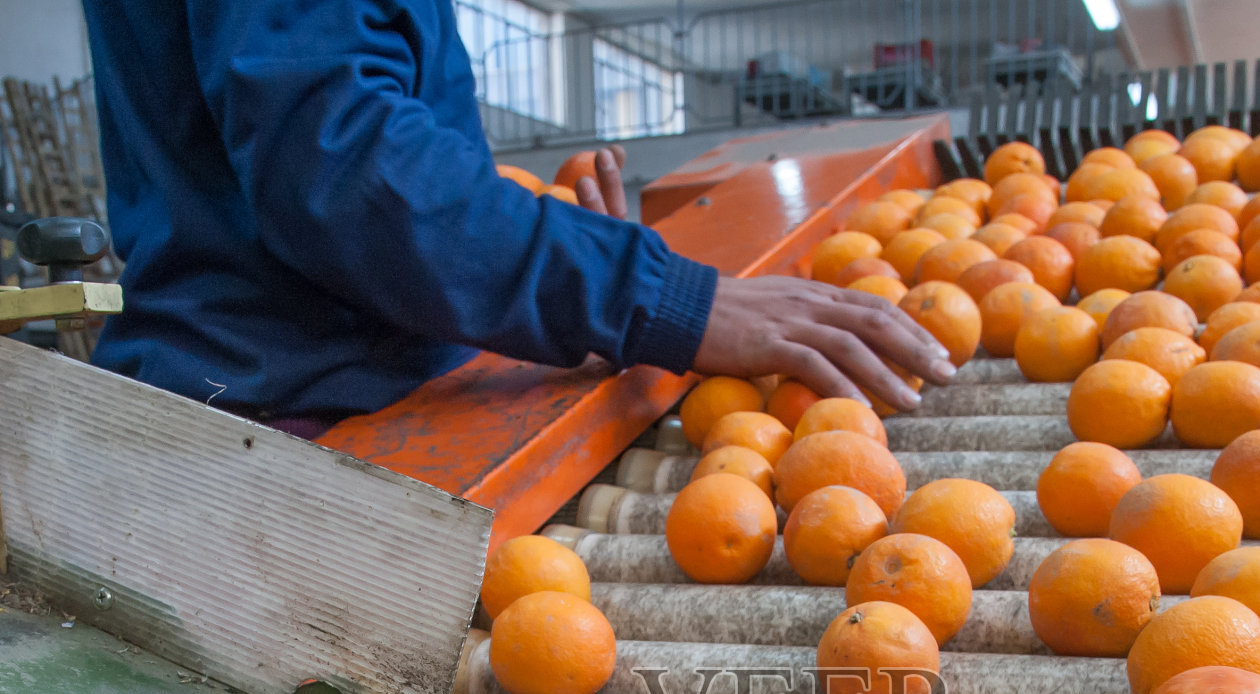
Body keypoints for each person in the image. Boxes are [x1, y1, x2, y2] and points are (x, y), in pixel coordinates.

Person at [78, 0, 952, 436]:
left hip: (310, 383)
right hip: (293, 427)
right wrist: (647, 294)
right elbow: (342, 167)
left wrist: (564, 288)